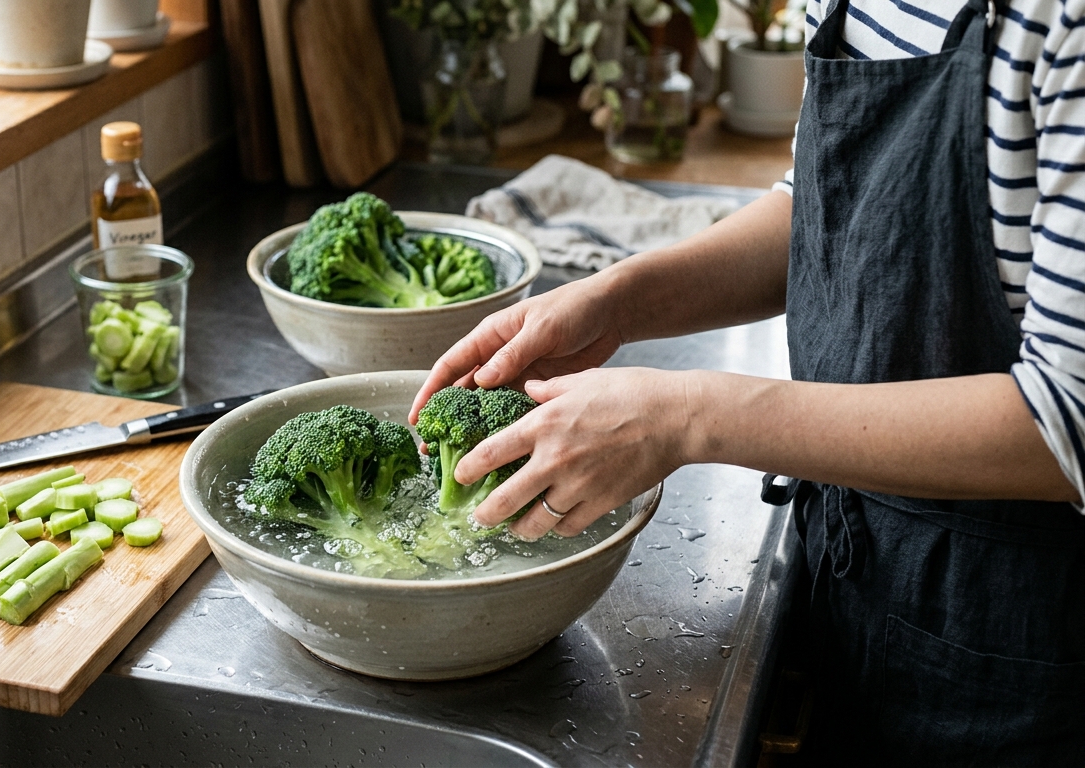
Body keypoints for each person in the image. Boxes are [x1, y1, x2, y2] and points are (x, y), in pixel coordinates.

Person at [409, 0, 1085, 761]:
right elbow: (824, 208)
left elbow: (1067, 422)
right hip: (856, 570)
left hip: (1026, 643)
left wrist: (692, 416)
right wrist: (620, 299)